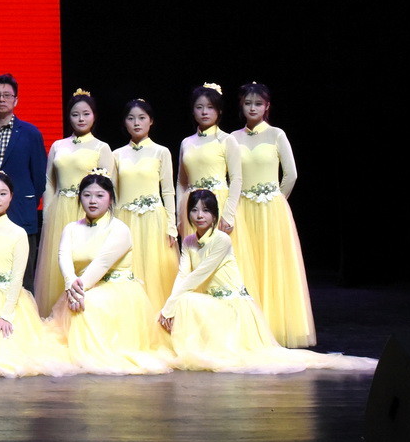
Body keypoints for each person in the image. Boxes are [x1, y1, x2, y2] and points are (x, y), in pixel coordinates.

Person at [159, 190, 371, 374]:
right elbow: (183, 274)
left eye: (205, 211)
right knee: (184, 300)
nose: (199, 216)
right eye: (194, 210)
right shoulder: (189, 242)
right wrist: (169, 307)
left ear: (214, 215)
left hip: (233, 308)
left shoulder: (222, 240)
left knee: (186, 300)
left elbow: (198, 275)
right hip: (213, 305)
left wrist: (170, 306)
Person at [0, 171, 75, 377]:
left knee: (7, 351)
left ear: (11, 196)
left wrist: (6, 314)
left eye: (3, 194)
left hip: (8, 300)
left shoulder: (18, 233)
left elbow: (17, 277)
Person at [49, 172, 172, 375]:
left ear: (110, 199)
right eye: (87, 195)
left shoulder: (119, 229)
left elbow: (102, 263)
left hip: (116, 290)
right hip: (83, 287)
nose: (93, 201)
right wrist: (71, 285)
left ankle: (92, 354)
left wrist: (77, 292)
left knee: (89, 304)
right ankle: (82, 352)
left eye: (100, 195)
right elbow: (64, 257)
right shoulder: (71, 228)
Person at [229, 82, 316, 348]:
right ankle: (248, 329)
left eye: (258, 103)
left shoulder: (277, 134)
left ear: (267, 106)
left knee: (272, 264)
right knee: (246, 265)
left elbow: (291, 174)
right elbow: (231, 176)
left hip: (271, 210)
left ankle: (275, 326)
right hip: (242, 209)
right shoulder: (233, 138)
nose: (252, 108)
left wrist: (276, 199)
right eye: (248, 103)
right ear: (241, 105)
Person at [33, 90, 116, 316]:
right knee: (58, 265)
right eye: (75, 114)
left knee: (85, 260)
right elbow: (50, 183)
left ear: (94, 116)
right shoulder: (58, 146)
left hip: (88, 211)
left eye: (86, 114)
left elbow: (108, 188)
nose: (81, 118)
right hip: (60, 210)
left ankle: (84, 315)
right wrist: (47, 216)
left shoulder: (101, 147)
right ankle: (55, 316)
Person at [113, 99, 178, 312]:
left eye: (142, 118)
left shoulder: (161, 152)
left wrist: (171, 225)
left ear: (151, 121)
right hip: (125, 220)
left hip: (154, 221)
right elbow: (113, 194)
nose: (136, 123)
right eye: (131, 118)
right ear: (125, 123)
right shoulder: (116, 155)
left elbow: (168, 191)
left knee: (154, 269)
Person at [0, 74, 47, 244]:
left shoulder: (31, 133)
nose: (1, 99)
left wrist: (26, 199)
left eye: (7, 95)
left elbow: (39, 177)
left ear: (16, 100)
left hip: (21, 211)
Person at [176, 82, 241, 240]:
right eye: (199, 107)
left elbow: (236, 179)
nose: (204, 112)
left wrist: (228, 214)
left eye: (210, 107)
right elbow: (181, 182)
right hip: (191, 207)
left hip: (219, 204)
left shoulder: (227, 140)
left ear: (219, 110)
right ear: (193, 111)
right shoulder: (186, 142)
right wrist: (179, 215)